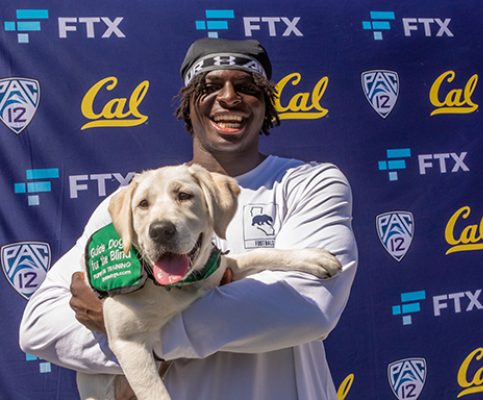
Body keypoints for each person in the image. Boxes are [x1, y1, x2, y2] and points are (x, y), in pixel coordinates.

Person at [19, 38, 357, 400]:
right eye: (209, 86)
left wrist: (135, 327)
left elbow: (307, 308)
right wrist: (131, 332)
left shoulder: (309, 184)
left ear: (267, 102)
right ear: (187, 103)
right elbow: (40, 325)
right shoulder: (136, 202)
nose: (229, 97)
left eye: (246, 87)